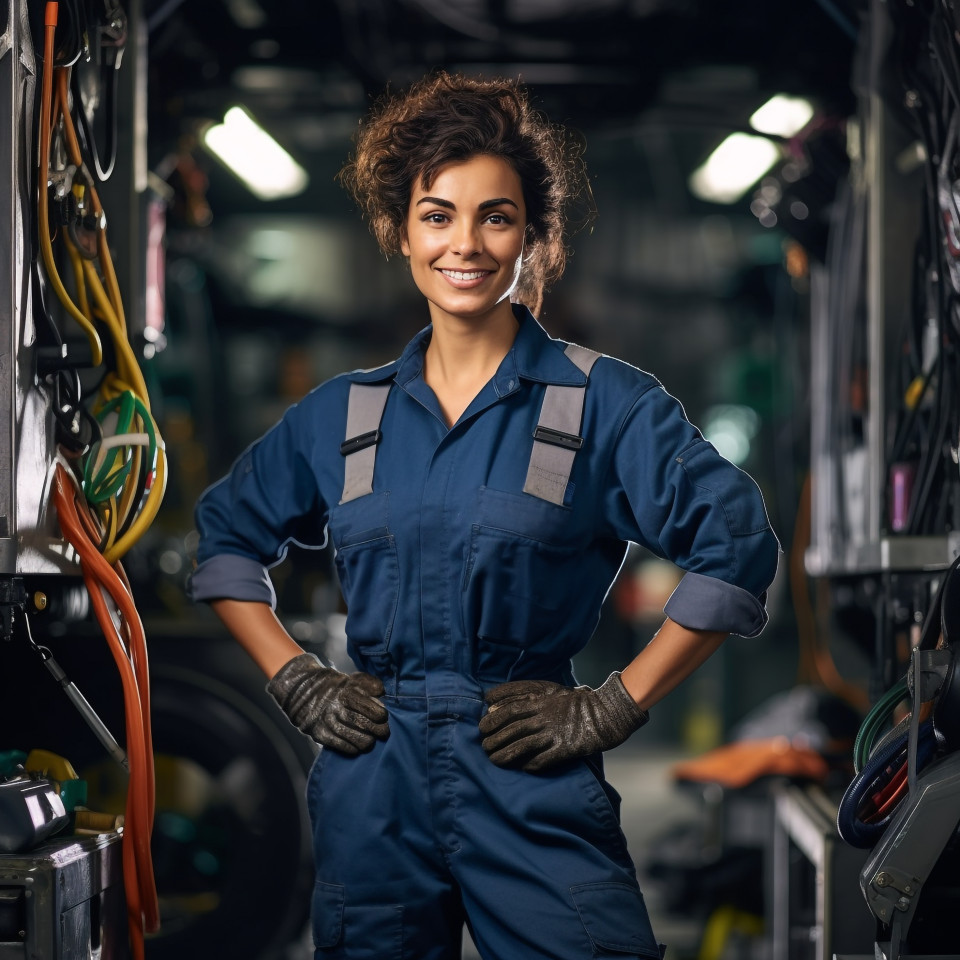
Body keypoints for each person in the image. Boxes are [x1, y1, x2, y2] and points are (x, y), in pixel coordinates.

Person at [188, 72, 780, 960]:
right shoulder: (344, 417)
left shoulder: (603, 405)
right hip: (374, 784)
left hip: (528, 769)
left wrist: (614, 705)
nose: (464, 244)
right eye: (437, 215)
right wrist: (297, 678)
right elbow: (226, 541)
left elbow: (735, 546)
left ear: (532, 236)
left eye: (495, 217)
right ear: (398, 230)